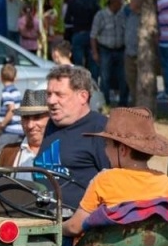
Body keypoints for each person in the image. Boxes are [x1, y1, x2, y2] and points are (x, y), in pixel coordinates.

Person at [61, 107, 168, 236]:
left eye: (107, 145)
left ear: (123, 150)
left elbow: (75, 227)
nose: (105, 151)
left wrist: (59, 227)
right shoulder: (164, 181)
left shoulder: (105, 180)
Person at [33, 64, 110, 208]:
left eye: (59, 95)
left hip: (79, 225)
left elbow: (114, 184)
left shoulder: (100, 129)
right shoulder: (50, 125)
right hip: (38, 216)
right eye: (49, 94)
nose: (51, 101)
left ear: (83, 96)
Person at [90, 0, 128, 106]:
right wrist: (95, 52)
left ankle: (123, 102)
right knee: (105, 77)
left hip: (121, 49)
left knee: (123, 77)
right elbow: (93, 35)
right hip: (105, 49)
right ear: (113, 3)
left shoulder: (122, 15)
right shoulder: (100, 15)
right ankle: (105, 102)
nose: (121, 5)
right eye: (119, 3)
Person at [0, 88, 49, 167]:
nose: (30, 125)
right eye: (26, 117)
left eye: (37, 117)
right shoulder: (7, 153)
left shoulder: (64, 153)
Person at [65, 0, 100, 71]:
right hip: (92, 33)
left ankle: (79, 82)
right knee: (92, 62)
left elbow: (67, 20)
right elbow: (98, 19)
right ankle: (93, 82)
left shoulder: (72, 2)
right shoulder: (95, 2)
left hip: (78, 32)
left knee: (78, 63)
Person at [0, 62, 23, 146]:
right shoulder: (16, 91)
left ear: (0, 78)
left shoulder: (6, 91)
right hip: (19, 130)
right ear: (16, 78)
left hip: (9, 132)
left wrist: (1, 124)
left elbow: (12, 109)